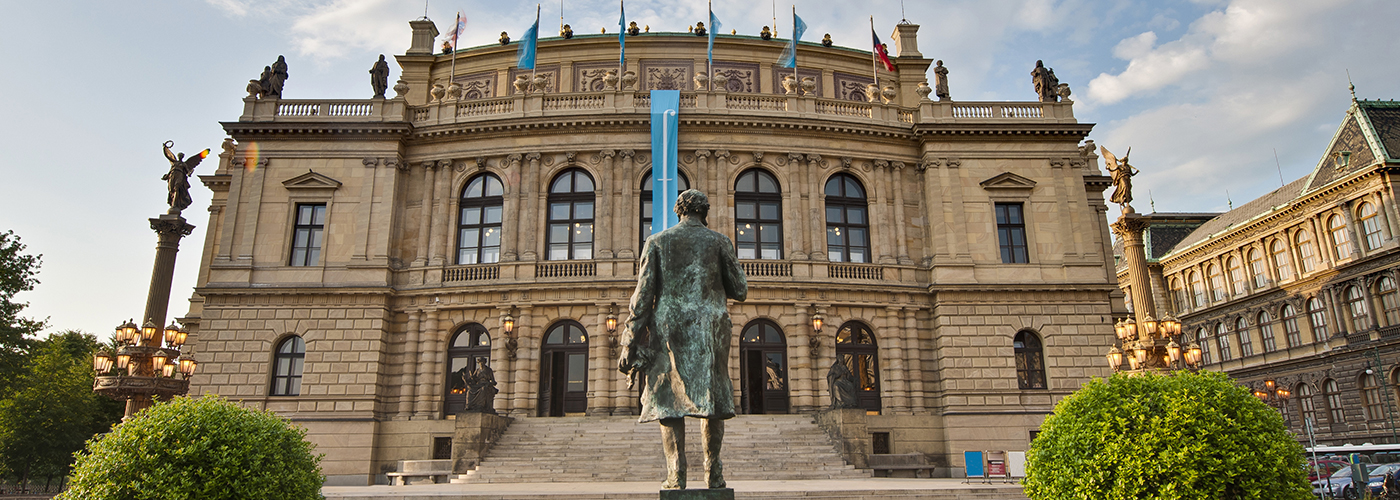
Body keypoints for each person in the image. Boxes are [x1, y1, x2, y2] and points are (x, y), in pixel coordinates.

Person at [619, 189, 747, 490]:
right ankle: (714, 472)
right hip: (711, 328)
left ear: (679, 211)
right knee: (712, 396)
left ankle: (676, 475)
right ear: (705, 212)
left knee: (668, 399)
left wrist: (629, 339)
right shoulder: (720, 242)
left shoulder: (657, 242)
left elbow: (642, 297)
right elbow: (740, 289)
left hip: (669, 329)